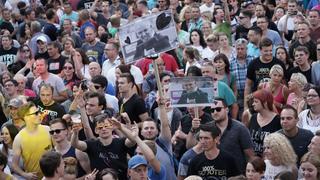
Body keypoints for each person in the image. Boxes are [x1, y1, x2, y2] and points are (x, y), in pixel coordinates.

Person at [71, 113, 137, 180]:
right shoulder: (91, 144)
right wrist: (75, 133)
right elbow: (75, 144)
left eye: (106, 126)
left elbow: (133, 140)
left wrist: (121, 128)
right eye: (100, 127)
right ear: (96, 131)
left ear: (111, 127)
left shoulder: (120, 142)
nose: (104, 129)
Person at [12, 102, 52, 179]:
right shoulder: (19, 139)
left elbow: (58, 151)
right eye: (36, 113)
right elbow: (14, 165)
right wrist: (24, 174)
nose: (40, 115)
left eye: (39, 112)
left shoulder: (48, 129)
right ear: (26, 117)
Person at [244, 38, 286, 110]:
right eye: (266, 51)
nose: (269, 53)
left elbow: (284, 83)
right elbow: (248, 85)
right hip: (258, 101)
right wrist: (246, 106)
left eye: (270, 50)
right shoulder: (253, 64)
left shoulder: (279, 63)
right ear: (260, 50)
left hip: (276, 101)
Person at [249, 89, 281, 156]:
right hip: (254, 160)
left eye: (256, 101)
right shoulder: (253, 117)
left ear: (265, 103)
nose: (253, 104)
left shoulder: (277, 120)